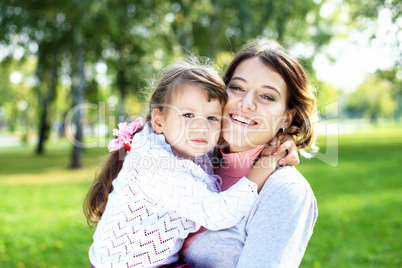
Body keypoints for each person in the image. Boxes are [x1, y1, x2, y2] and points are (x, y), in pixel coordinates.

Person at [84, 60, 289, 268]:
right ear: (159, 121)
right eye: (188, 115)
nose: (200, 127)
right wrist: (264, 165)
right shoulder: (154, 164)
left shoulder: (185, 147)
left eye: (211, 118)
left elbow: (240, 139)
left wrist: (283, 137)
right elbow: (217, 214)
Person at [180, 39, 318, 267]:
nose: (246, 103)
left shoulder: (284, 190)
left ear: (287, 117)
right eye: (237, 88)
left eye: (267, 96)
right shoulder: (194, 158)